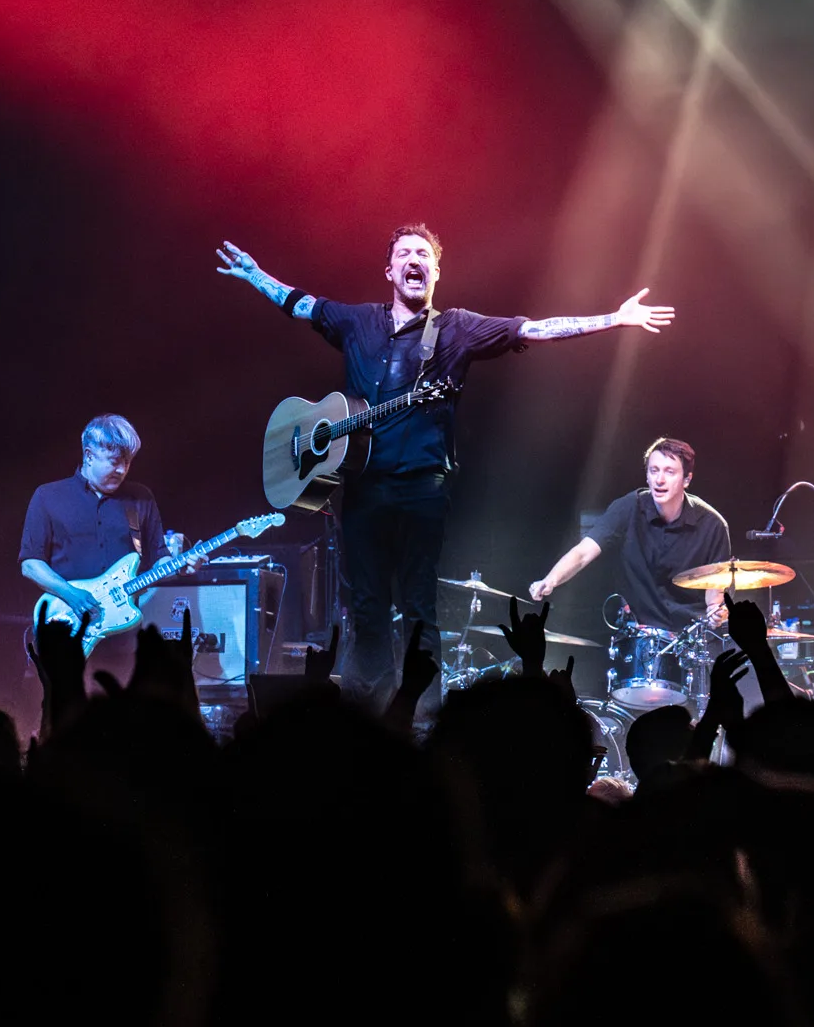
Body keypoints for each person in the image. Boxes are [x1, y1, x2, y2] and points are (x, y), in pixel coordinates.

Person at [216, 224, 675, 703]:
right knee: (367, 607)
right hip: (363, 487)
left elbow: (534, 329)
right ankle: (366, 715)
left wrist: (613, 319)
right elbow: (302, 304)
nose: (414, 260)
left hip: (422, 488)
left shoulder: (456, 328)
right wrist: (255, 275)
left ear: (436, 272)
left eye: (424, 255)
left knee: (418, 606)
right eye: (404, 253)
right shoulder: (357, 321)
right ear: (390, 270)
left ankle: (421, 717)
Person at [530, 438, 731, 632]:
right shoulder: (629, 507)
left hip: (688, 635)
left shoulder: (713, 525)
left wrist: (716, 612)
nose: (659, 479)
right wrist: (551, 579)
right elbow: (583, 552)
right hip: (637, 631)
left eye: (669, 472)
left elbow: (714, 595)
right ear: (647, 476)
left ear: (687, 479)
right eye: (654, 470)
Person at [19, 414, 165, 679]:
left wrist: (183, 564)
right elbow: (31, 564)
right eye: (115, 461)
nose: (122, 470)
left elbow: (160, 557)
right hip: (67, 624)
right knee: (64, 702)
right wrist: (72, 594)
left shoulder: (140, 498)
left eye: (127, 462)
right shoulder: (48, 496)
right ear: (89, 455)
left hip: (123, 636)